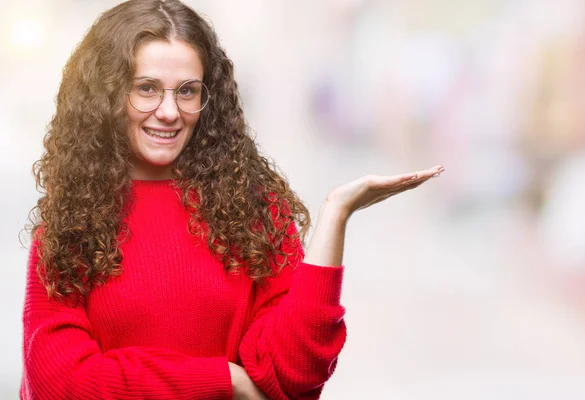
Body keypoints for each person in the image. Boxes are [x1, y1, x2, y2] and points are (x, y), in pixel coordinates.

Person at [20, 0, 444, 399]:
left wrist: (336, 214)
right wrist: (225, 379)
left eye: (187, 91)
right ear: (107, 96)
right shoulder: (70, 221)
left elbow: (295, 376)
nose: (169, 111)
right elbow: (60, 384)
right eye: (146, 88)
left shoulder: (250, 208)